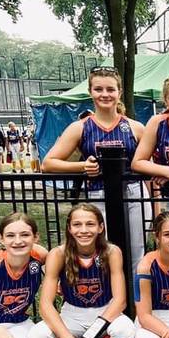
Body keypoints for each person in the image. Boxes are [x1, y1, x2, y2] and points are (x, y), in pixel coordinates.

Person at [42, 66, 147, 275]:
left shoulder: (135, 127)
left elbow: (148, 167)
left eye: (110, 89)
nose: (105, 94)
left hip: (134, 192)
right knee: (104, 250)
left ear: (119, 92)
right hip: (98, 194)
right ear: (91, 92)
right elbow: (48, 163)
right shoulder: (80, 127)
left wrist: (156, 206)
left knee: (137, 252)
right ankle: (110, 299)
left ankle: (135, 305)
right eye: (99, 89)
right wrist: (82, 167)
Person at [28, 204, 135, 338]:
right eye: (77, 224)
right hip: (72, 314)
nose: (83, 230)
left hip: (105, 311)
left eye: (90, 224)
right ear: (69, 228)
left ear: (101, 227)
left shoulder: (112, 252)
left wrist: (90, 337)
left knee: (125, 333)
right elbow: (45, 305)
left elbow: (120, 300)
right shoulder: (58, 254)